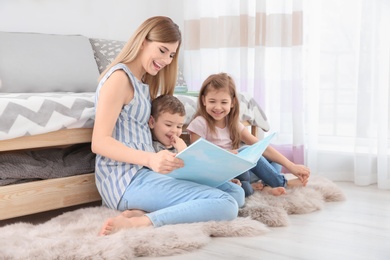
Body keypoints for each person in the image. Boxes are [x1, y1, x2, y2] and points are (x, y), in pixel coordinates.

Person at [91, 16, 245, 236]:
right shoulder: (119, 78)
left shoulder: (142, 84)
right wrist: (151, 159)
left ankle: (140, 210)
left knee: (236, 194)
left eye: (171, 55)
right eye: (162, 50)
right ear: (143, 41)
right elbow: (99, 142)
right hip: (125, 179)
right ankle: (142, 221)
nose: (166, 60)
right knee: (227, 204)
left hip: (147, 173)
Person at [186, 73, 310, 197]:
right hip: (220, 173)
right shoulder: (200, 124)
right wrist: (225, 154)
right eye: (212, 101)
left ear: (233, 102)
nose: (218, 107)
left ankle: (264, 186)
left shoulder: (233, 124)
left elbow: (262, 147)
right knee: (245, 150)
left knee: (273, 159)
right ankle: (282, 183)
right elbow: (198, 158)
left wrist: (291, 166)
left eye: (224, 102)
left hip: (240, 171)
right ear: (203, 100)